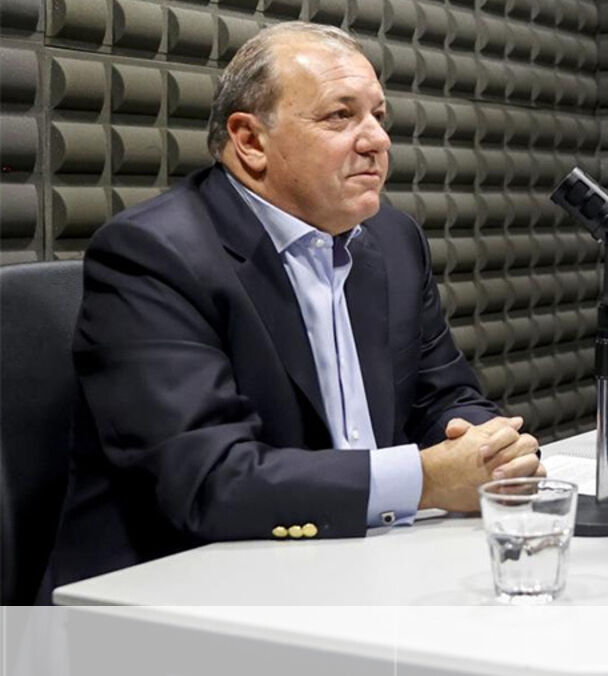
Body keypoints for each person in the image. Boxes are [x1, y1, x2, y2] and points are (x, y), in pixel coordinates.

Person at [39, 22, 544, 599]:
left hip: (354, 565)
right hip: (176, 591)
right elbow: (211, 480)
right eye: (340, 116)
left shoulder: (393, 239)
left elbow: (445, 395)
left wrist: (490, 449)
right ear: (250, 141)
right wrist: (425, 481)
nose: (377, 140)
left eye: (379, 116)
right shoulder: (153, 255)